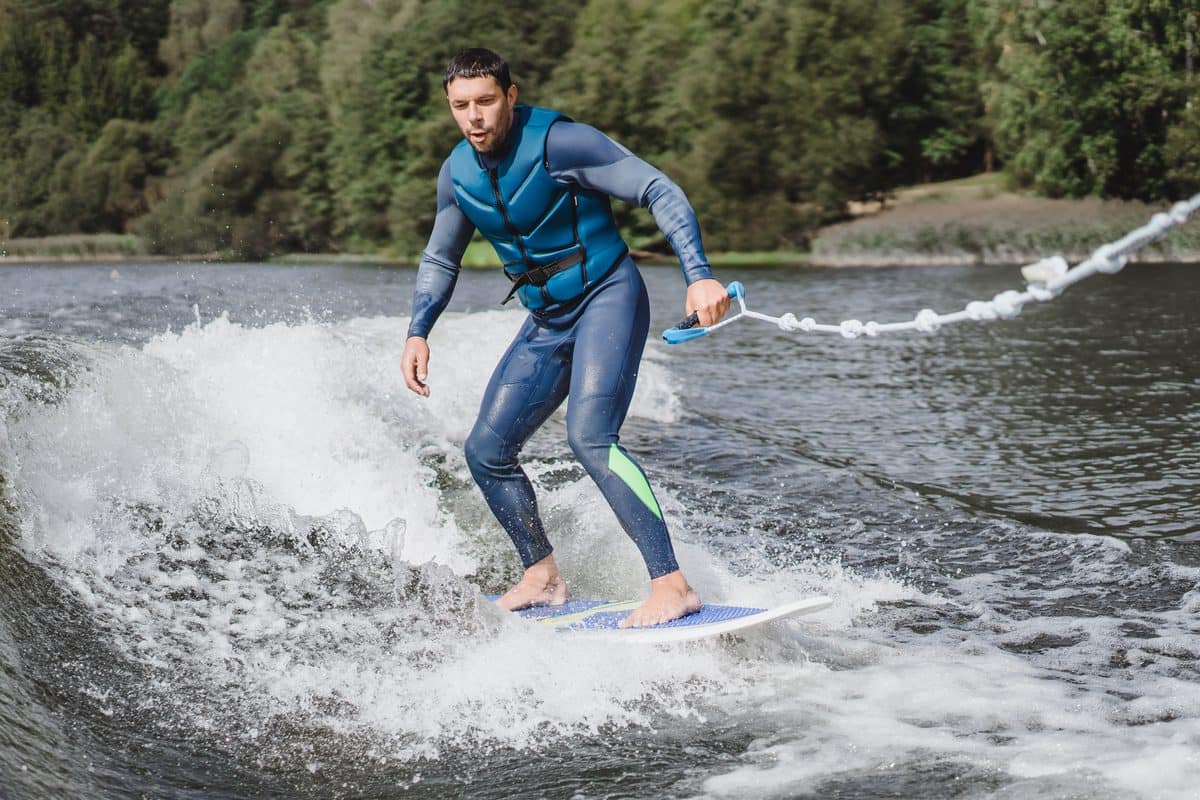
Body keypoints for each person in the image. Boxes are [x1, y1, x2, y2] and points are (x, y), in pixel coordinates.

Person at [400, 48, 729, 628]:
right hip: (547, 320)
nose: (473, 117)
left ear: (510, 95)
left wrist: (698, 276)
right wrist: (418, 331)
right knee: (486, 451)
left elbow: (658, 188)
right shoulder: (458, 174)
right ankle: (543, 576)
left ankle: (672, 586)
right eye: (460, 106)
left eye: (484, 102)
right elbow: (440, 256)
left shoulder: (562, 143)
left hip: (609, 296)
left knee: (591, 437)